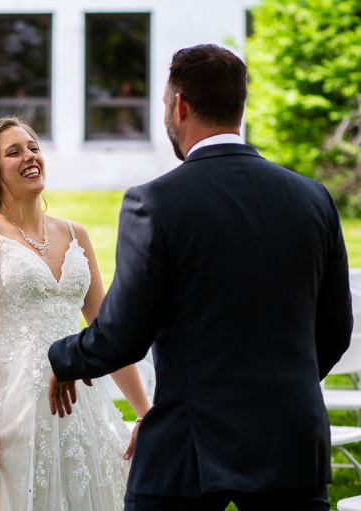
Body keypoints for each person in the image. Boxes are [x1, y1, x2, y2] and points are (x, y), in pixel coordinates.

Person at [47, 43, 353, 511]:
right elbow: (335, 330)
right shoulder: (313, 199)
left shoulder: (155, 203)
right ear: (239, 105)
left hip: (187, 448)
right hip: (290, 439)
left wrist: (61, 356)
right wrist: (281, 388)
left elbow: (121, 336)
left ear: (179, 105)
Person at [0, 116, 151, 510]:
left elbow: (106, 331)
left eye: (33, 147)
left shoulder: (76, 234)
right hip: (15, 410)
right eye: (14, 152)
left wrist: (145, 413)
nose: (30, 156)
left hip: (82, 406)